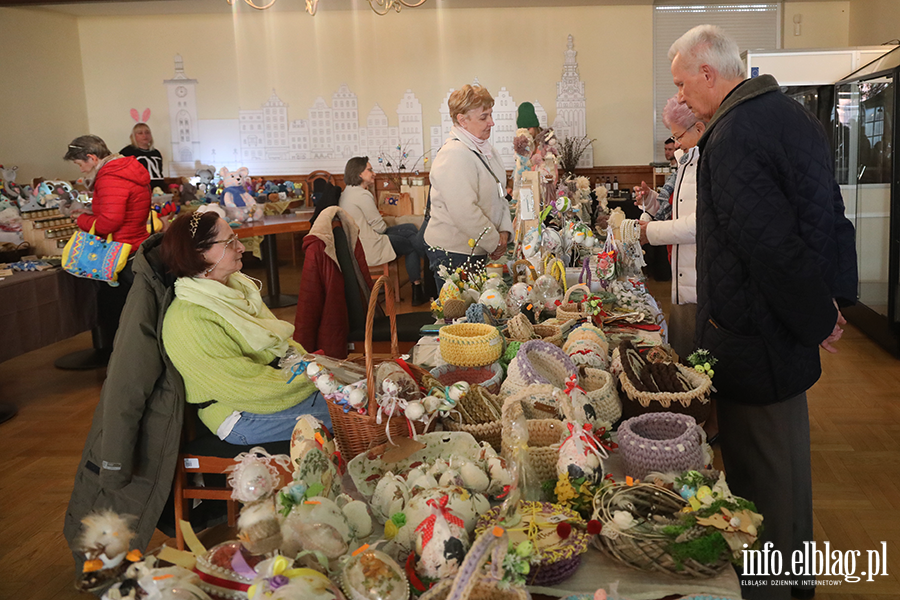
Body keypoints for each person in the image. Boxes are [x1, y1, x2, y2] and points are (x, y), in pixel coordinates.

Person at [669, 24, 857, 600]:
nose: (679, 99)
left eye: (682, 84)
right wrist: (831, 300)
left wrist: (818, 317)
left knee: (759, 491)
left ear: (709, 73)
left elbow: (770, 248)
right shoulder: (791, 114)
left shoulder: (731, 136)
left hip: (755, 342)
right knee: (789, 480)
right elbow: (831, 216)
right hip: (781, 336)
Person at [161, 211, 331, 445]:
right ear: (201, 254)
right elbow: (244, 387)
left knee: (363, 397)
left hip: (269, 394)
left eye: (236, 239)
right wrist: (314, 376)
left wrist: (314, 368)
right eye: (230, 242)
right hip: (240, 415)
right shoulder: (190, 319)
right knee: (360, 409)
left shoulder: (234, 290)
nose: (241, 247)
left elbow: (279, 344)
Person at [63, 135, 152, 358]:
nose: (81, 170)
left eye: (80, 163)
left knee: (114, 310)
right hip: (134, 246)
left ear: (92, 158)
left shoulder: (110, 176)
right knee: (133, 309)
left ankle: (119, 359)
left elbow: (109, 222)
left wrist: (80, 220)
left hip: (118, 252)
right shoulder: (127, 169)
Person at [635, 97, 705, 358]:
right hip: (683, 274)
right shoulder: (685, 159)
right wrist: (650, 199)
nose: (675, 143)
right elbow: (672, 207)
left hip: (697, 275)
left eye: (678, 135)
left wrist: (649, 233)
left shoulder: (706, 161)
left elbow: (697, 224)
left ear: (699, 128)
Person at [425, 84, 513, 290]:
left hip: (477, 247)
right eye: (483, 117)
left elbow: (502, 196)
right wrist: (495, 242)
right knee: (461, 318)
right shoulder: (454, 154)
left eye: (490, 114)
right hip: (454, 253)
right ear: (462, 120)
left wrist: (505, 232)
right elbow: (464, 211)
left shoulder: (487, 150)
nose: (491, 122)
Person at [339, 157, 428, 306]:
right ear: (359, 174)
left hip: (359, 242)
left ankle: (421, 283)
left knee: (410, 228)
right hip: (371, 245)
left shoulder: (347, 193)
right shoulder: (362, 195)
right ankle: (418, 287)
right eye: (370, 170)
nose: (374, 173)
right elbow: (380, 228)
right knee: (411, 241)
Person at [120, 123, 165, 191]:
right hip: (139, 189)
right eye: (140, 133)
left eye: (147, 133)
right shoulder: (127, 152)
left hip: (158, 188)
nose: (144, 136)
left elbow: (159, 171)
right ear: (134, 136)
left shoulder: (156, 153)